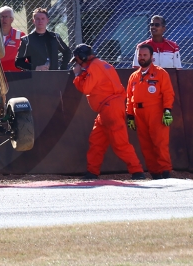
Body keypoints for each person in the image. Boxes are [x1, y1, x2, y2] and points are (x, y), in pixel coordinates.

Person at [71, 43, 148, 181]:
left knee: (120, 142)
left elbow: (86, 88)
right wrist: (82, 72)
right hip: (107, 108)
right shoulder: (101, 64)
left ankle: (137, 171)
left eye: (77, 60)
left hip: (110, 107)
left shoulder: (94, 66)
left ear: (82, 57)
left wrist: (77, 74)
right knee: (96, 141)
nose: (77, 63)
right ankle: (92, 172)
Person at [126, 44, 175, 179]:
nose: (142, 58)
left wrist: (167, 110)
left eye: (145, 55)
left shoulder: (160, 73)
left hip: (156, 112)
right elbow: (129, 98)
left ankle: (165, 171)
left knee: (160, 143)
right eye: (140, 55)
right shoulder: (134, 77)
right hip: (138, 113)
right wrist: (130, 115)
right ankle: (154, 173)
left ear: (152, 57)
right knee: (145, 145)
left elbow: (168, 94)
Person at [0, 6, 25, 73]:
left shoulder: (20, 35)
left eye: (6, 17)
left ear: (12, 19)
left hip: (15, 75)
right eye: (1, 16)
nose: (4, 19)